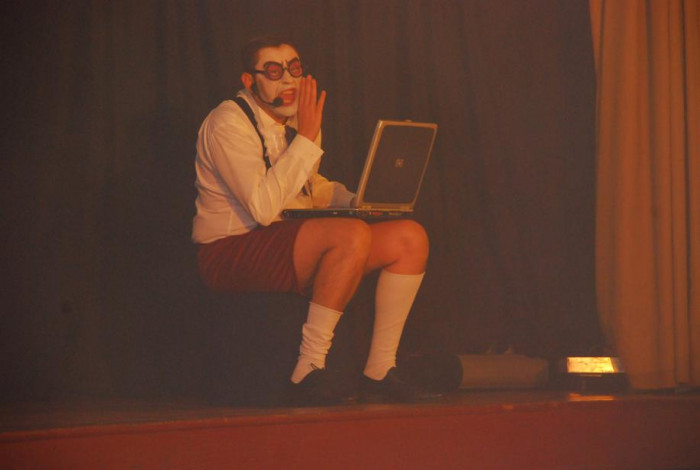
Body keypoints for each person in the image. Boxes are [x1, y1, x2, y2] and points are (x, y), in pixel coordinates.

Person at [193, 35, 431, 405]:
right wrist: (306, 137)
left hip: (284, 241)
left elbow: (309, 185)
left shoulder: (295, 124)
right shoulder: (228, 122)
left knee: (409, 238)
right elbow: (262, 208)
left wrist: (357, 201)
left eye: (294, 69)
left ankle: (380, 368)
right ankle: (309, 366)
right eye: (274, 72)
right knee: (351, 235)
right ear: (249, 81)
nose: (289, 80)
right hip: (230, 250)